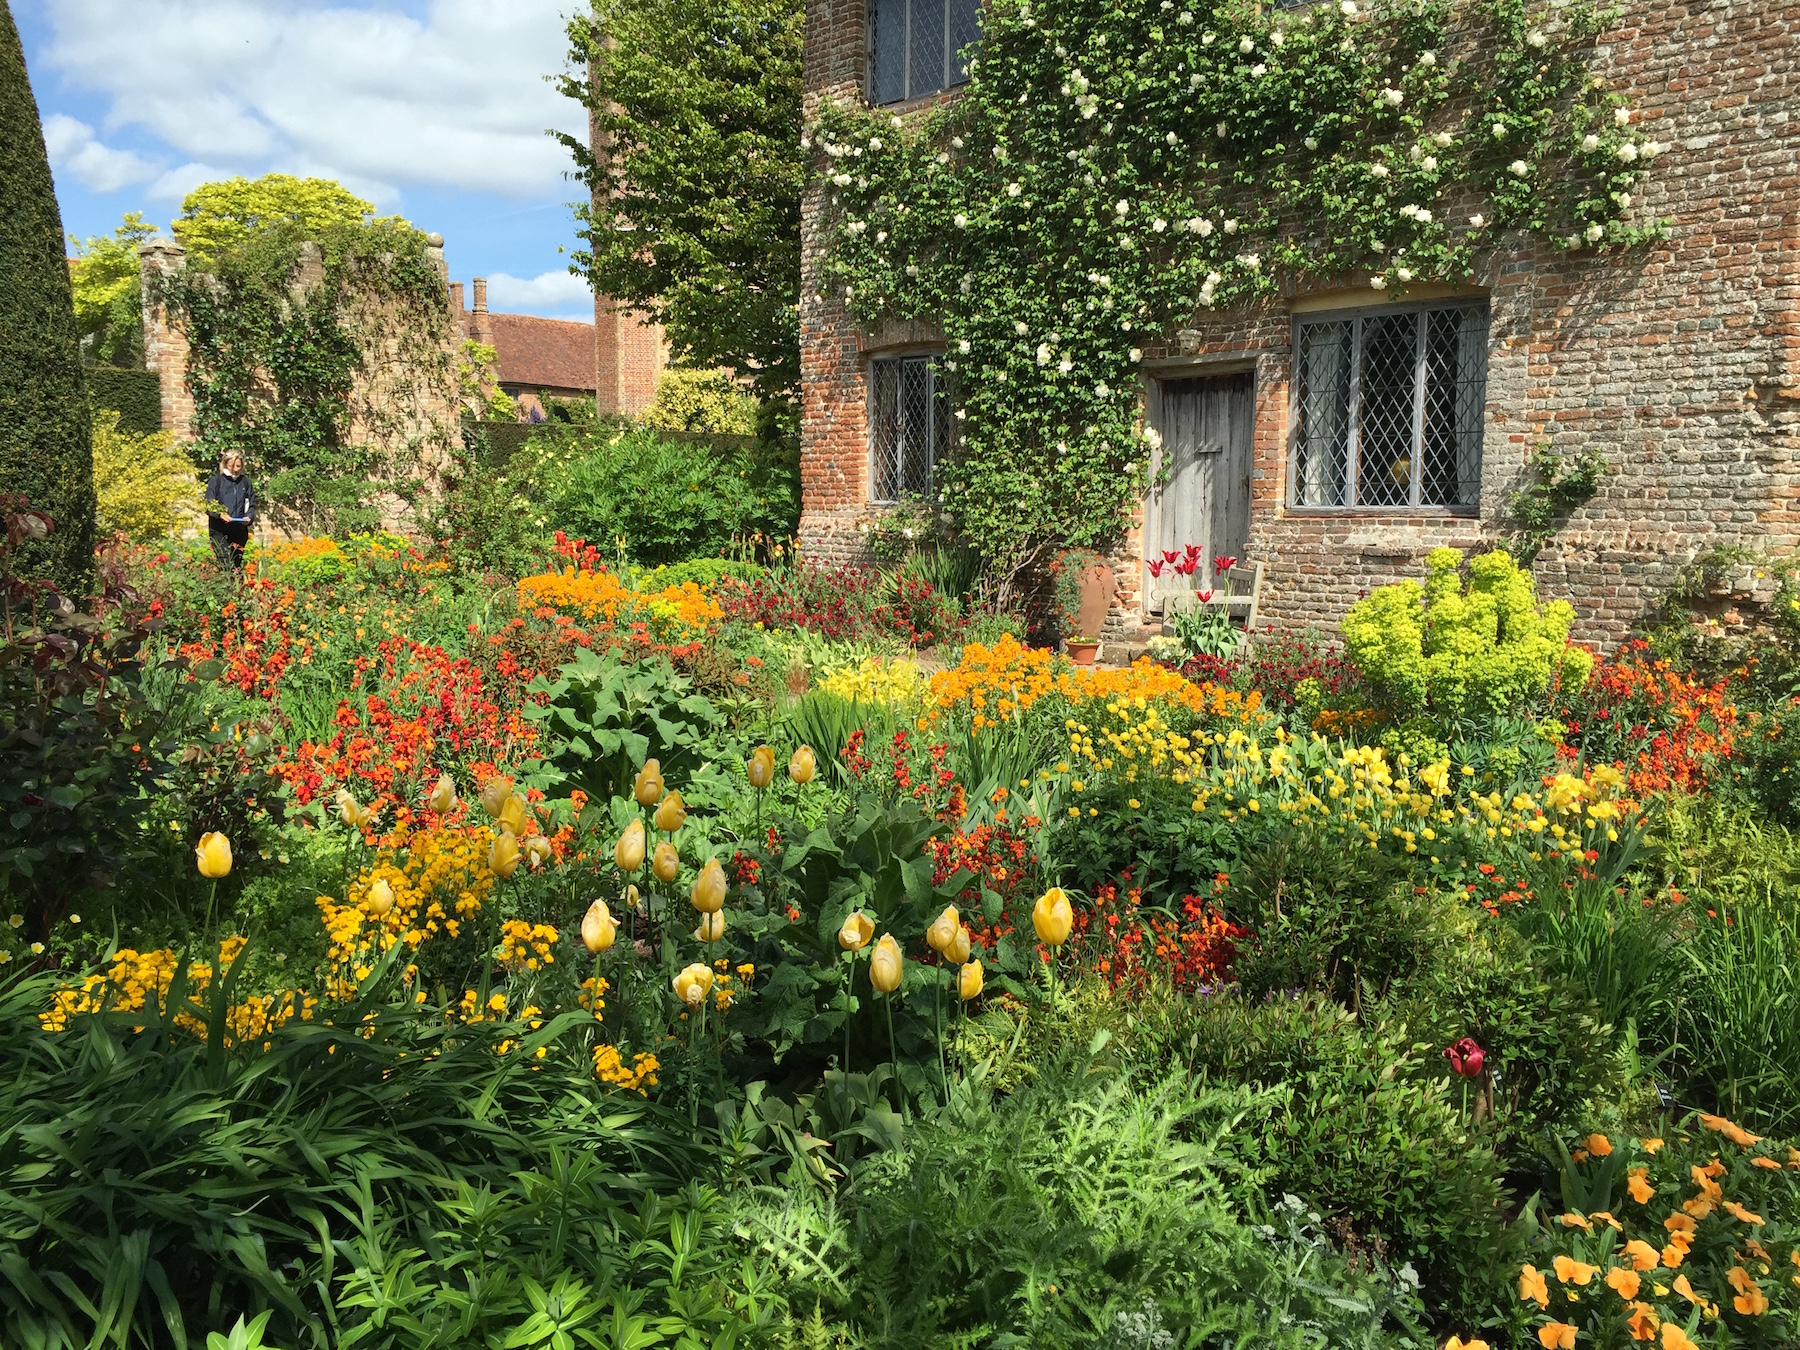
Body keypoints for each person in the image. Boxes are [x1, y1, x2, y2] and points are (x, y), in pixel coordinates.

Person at [204, 451, 255, 571]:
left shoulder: (245, 482)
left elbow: (250, 505)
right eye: (232, 466)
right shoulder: (216, 481)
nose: (235, 469)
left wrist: (249, 517)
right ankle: (226, 587)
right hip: (219, 530)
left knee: (236, 565)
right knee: (225, 563)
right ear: (225, 464)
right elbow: (209, 504)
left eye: (238, 466)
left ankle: (236, 588)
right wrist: (220, 514)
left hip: (239, 529)